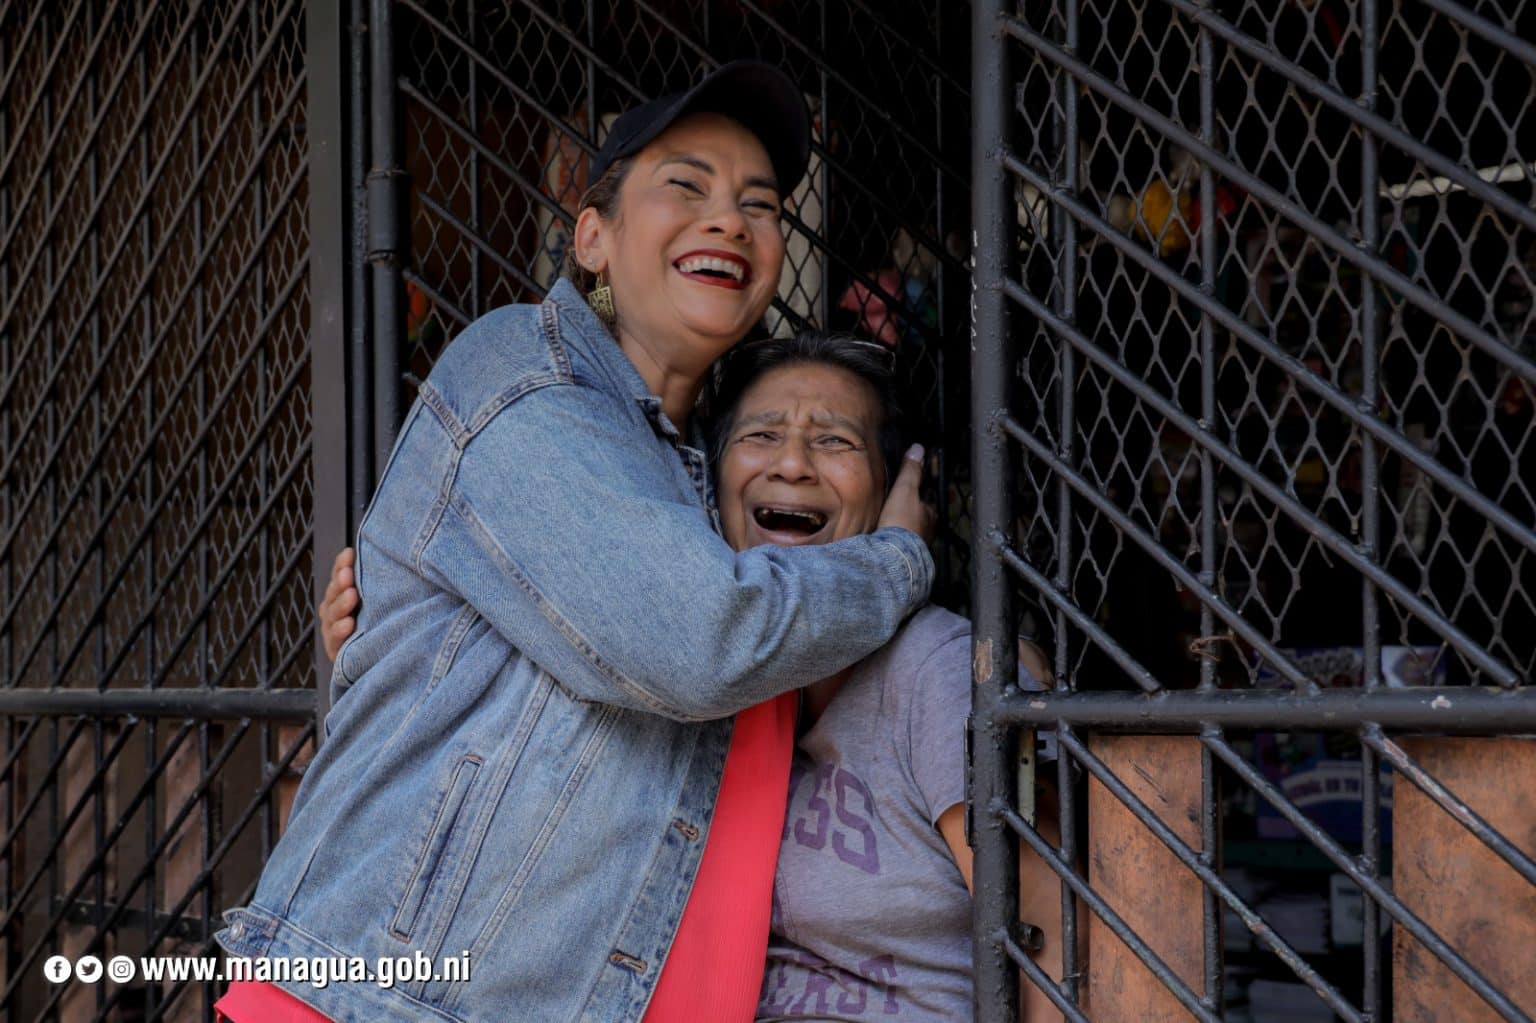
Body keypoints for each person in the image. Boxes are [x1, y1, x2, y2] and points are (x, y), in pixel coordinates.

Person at [215, 62, 935, 1023]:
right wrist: (897, 559)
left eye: (759, 206)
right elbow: (699, 638)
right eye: (686, 186)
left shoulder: (701, 477)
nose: (729, 221)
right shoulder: (524, 376)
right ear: (591, 238)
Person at [320, 333, 1070, 1022]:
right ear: (709, 486)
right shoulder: (684, 680)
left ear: (899, 488)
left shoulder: (933, 669)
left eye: (834, 440)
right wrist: (393, 643)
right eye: (761, 435)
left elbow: (1041, 927)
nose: (792, 463)